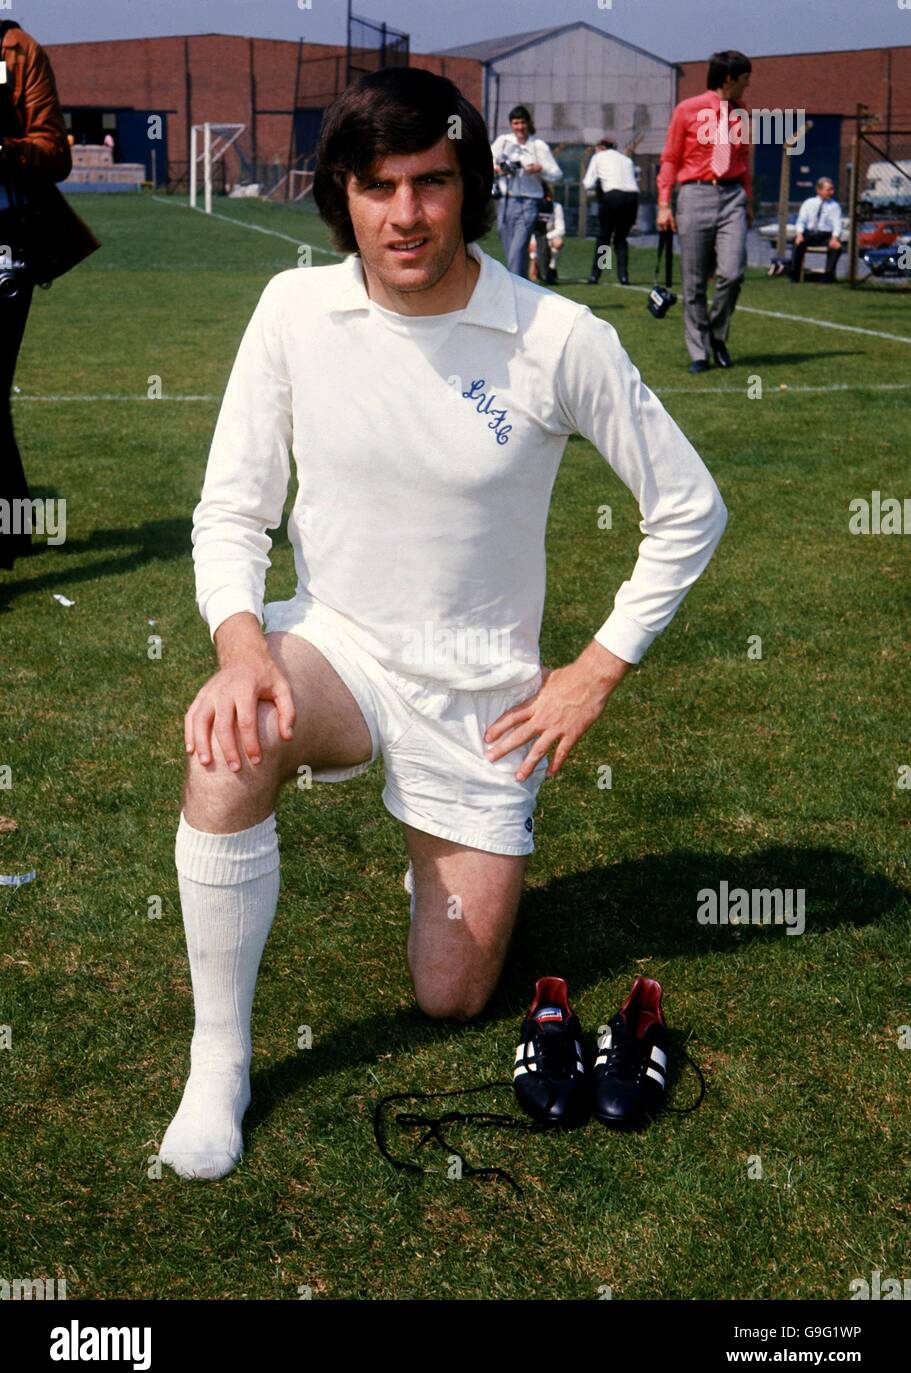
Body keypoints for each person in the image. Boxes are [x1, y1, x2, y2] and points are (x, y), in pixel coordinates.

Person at [159, 66, 727, 1180]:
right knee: (230, 744)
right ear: (342, 195)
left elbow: (689, 509)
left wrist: (591, 672)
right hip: (338, 648)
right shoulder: (292, 310)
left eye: (430, 182)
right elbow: (231, 507)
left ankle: (443, 845)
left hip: (479, 699)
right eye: (378, 187)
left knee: (452, 994)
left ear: (469, 184)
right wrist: (239, 648)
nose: (406, 214)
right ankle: (216, 1061)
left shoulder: (556, 339)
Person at [0, 20, 99, 575]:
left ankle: (7, 534)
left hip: (7, 238)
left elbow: (54, 151)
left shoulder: (18, 50)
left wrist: (5, 149)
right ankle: (13, 528)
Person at [657, 50, 752, 373]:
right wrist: (663, 204)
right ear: (729, 78)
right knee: (694, 282)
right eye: (744, 78)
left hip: (732, 195)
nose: (747, 85)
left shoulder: (741, 114)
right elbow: (670, 158)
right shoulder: (687, 110)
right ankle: (699, 350)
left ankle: (717, 334)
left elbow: (744, 162)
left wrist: (747, 199)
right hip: (695, 193)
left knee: (732, 272)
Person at [490, 104, 562, 277]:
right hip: (506, 201)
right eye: (516, 123)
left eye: (522, 123)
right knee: (512, 252)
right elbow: (487, 162)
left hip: (529, 202)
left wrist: (540, 168)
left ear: (528, 123)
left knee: (518, 248)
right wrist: (498, 168)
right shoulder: (503, 141)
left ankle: (512, 288)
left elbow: (557, 174)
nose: (519, 127)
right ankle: (522, 286)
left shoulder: (538, 145)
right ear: (511, 125)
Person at [583, 138, 639, 285]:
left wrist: (597, 187)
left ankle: (597, 274)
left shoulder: (599, 156)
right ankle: (623, 277)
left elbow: (588, 183)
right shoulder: (626, 160)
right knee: (621, 238)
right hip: (632, 198)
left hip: (614, 196)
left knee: (604, 237)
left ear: (600, 147)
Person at [790, 177, 843, 283]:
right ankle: (795, 274)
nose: (831, 192)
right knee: (797, 242)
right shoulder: (809, 203)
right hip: (810, 234)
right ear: (819, 190)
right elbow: (801, 221)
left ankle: (828, 275)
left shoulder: (834, 206)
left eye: (832, 189)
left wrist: (835, 238)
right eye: (828, 190)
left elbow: (837, 224)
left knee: (836, 247)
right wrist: (799, 234)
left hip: (825, 235)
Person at [528, 184, 565, 283]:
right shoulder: (533, 206)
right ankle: (536, 263)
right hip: (536, 236)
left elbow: (561, 229)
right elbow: (530, 228)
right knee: (533, 246)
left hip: (549, 236)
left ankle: (551, 268)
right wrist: (534, 241)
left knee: (558, 243)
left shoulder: (556, 207)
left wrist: (545, 238)